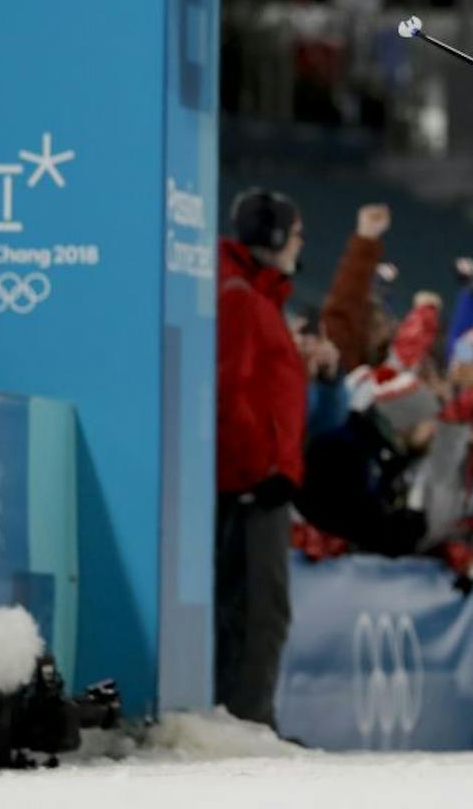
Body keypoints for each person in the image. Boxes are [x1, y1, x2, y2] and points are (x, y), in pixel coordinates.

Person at [214, 187, 308, 729]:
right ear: (271, 237)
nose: (301, 245)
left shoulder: (258, 298)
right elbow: (230, 393)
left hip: (261, 480)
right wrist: (258, 471)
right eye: (295, 234)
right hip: (254, 485)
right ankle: (248, 721)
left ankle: (247, 717)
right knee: (259, 610)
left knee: (255, 608)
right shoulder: (241, 299)